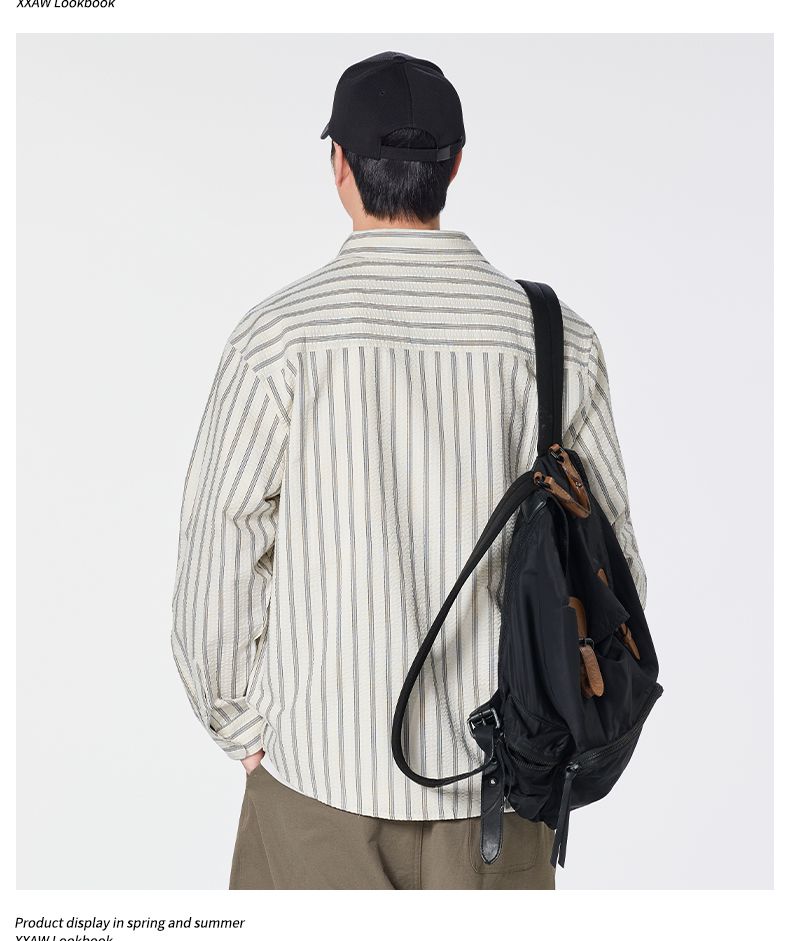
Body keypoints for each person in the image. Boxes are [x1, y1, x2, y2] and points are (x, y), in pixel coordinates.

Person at [170, 51, 646, 890]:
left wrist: (238, 721)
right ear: (455, 166)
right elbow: (614, 567)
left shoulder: (279, 339)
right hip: (506, 783)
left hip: (316, 780)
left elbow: (221, 545)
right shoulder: (556, 341)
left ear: (339, 167)